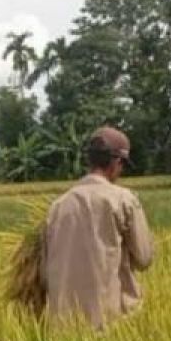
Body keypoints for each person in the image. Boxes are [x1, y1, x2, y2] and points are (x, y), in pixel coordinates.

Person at [43, 126, 154, 328]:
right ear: (116, 162)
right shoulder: (123, 200)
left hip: (62, 327)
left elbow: (44, 271)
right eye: (122, 166)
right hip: (110, 323)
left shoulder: (57, 207)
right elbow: (144, 259)